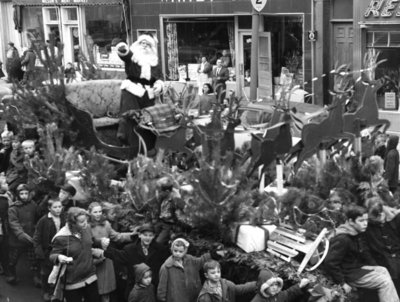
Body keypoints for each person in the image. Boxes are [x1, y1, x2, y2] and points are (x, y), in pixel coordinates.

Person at [323, 205, 399, 302]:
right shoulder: (343, 238)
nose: (365, 224)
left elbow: (362, 253)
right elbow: (330, 263)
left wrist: (373, 268)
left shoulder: (356, 233)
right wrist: (342, 283)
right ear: (351, 221)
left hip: (354, 268)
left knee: (383, 270)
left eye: (366, 220)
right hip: (348, 274)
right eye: (361, 221)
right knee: (384, 281)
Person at [115, 33, 164, 148]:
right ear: (137, 44)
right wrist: (122, 48)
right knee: (131, 118)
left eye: (147, 44)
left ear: (151, 47)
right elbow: (125, 54)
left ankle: (148, 147)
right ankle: (128, 145)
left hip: (148, 94)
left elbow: (159, 77)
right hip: (132, 90)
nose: (144, 46)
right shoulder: (133, 58)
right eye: (142, 43)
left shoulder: (154, 62)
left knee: (148, 119)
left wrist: (159, 84)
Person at [103, 223, 169, 299]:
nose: (147, 238)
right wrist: (104, 249)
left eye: (150, 235)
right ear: (139, 235)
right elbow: (118, 255)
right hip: (135, 288)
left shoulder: (159, 249)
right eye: (145, 235)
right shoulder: (130, 249)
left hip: (152, 288)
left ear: (154, 236)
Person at [49, 207, 102, 302]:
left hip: (90, 276)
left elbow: (91, 241)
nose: (85, 223)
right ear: (72, 223)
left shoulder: (87, 228)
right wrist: (59, 257)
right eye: (81, 222)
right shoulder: (61, 237)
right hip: (72, 282)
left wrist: (101, 242)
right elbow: (53, 255)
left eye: (86, 220)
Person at [88, 202, 134, 302]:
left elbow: (117, 237)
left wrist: (132, 235)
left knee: (106, 291)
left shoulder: (106, 224)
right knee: (93, 291)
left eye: (99, 211)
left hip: (106, 260)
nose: (98, 214)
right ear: (90, 213)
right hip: (92, 261)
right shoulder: (86, 226)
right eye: (95, 212)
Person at [157, 237, 225, 302]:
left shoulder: (190, 260)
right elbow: (162, 289)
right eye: (175, 251)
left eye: (181, 251)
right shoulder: (166, 267)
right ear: (171, 250)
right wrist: (163, 299)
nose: (177, 253)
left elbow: (201, 261)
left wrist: (212, 254)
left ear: (185, 251)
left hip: (193, 298)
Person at [364, 197, 400, 294]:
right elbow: (366, 249)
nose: (370, 220)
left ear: (381, 214)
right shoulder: (367, 226)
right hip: (382, 261)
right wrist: (375, 265)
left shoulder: (396, 219)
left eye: (373, 218)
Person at [7, 184, 40, 286]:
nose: (24, 196)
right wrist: (21, 234)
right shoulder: (13, 208)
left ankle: (36, 277)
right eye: (21, 193)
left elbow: (37, 217)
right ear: (18, 194)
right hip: (18, 240)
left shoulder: (33, 205)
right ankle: (11, 274)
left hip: (31, 237)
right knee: (13, 259)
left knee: (34, 259)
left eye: (26, 193)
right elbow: (14, 223)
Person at [33, 198, 65, 302]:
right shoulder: (44, 220)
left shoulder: (64, 218)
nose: (58, 209)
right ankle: (45, 291)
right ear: (49, 208)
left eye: (60, 207)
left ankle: (55, 292)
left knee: (58, 271)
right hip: (47, 251)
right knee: (46, 272)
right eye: (55, 207)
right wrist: (39, 252)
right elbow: (37, 237)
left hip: (60, 249)